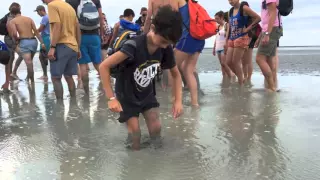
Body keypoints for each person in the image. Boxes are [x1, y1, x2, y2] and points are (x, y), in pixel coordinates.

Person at [99, 5, 183, 150]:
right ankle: (134, 164)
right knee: (135, 135)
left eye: (168, 43)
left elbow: (176, 74)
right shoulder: (134, 45)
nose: (164, 46)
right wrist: (111, 99)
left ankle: (155, 160)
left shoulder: (165, 48)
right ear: (153, 27)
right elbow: (103, 66)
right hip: (127, 95)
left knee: (156, 127)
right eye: (163, 41)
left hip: (147, 93)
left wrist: (178, 101)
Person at [43, 0, 81, 100]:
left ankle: (59, 107)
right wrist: (78, 48)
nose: (45, 3)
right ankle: (73, 102)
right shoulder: (69, 7)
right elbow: (77, 28)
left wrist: (52, 47)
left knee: (56, 78)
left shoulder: (52, 5)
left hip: (61, 45)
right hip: (73, 46)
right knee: (69, 76)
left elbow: (57, 25)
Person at [66, 0, 105, 93]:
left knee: (82, 64)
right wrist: (101, 34)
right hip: (95, 35)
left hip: (81, 36)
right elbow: (101, 18)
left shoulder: (71, 1)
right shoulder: (95, 1)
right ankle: (106, 88)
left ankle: (86, 91)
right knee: (98, 63)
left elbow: (70, 20)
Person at [225, 0, 260, 86]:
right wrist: (226, 39)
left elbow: (258, 18)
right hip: (232, 38)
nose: (230, 1)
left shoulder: (244, 8)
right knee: (228, 62)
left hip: (242, 37)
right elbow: (230, 25)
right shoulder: (230, 11)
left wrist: (248, 29)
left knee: (236, 61)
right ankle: (241, 79)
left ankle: (241, 84)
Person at [8, 6, 46, 83]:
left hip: (24, 41)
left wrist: (17, 39)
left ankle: (31, 82)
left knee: (29, 63)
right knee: (30, 62)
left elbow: (15, 33)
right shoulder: (29, 19)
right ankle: (28, 79)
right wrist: (42, 42)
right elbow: (36, 32)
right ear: (20, 12)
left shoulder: (13, 21)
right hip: (34, 42)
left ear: (12, 14)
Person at [256, 0, 282, 92]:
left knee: (259, 59)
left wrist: (267, 34)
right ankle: (272, 86)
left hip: (272, 29)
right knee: (270, 59)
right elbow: (267, 17)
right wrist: (260, 37)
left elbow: (273, 13)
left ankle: (271, 87)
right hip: (270, 29)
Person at [0, 2, 23, 81]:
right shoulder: (11, 17)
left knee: (11, 57)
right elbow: (11, 30)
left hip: (8, 38)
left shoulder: (8, 16)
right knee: (21, 54)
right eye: (19, 7)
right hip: (10, 38)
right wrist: (16, 39)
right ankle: (12, 74)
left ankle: (10, 75)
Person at [213, 11, 233, 78]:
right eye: (215, 19)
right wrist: (214, 47)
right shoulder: (218, 26)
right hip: (218, 47)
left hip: (224, 46)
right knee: (221, 65)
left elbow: (227, 35)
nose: (216, 20)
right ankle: (224, 78)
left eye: (217, 18)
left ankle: (231, 76)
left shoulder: (226, 24)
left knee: (224, 63)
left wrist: (226, 43)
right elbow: (216, 37)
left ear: (222, 17)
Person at [35, 5, 51, 80]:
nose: (38, 14)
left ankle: (45, 75)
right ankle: (51, 74)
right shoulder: (50, 17)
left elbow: (41, 29)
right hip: (50, 37)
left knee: (42, 56)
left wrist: (33, 33)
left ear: (41, 10)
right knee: (49, 56)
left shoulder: (45, 18)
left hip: (45, 38)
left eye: (38, 12)